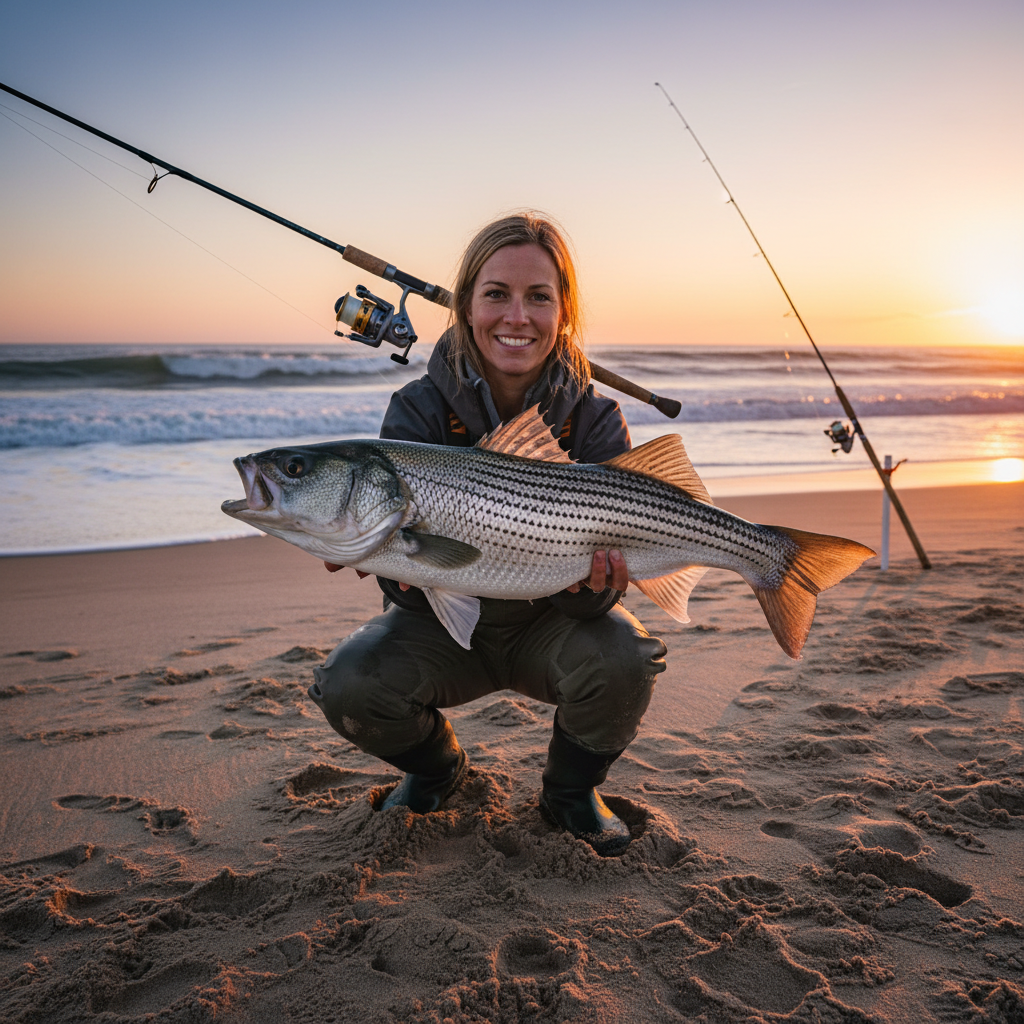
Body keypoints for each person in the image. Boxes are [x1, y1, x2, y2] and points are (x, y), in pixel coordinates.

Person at [307, 213, 667, 856]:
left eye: (539, 297)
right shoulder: (416, 408)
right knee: (350, 681)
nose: (516, 316)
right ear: (467, 303)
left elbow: (593, 604)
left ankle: (570, 793)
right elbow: (409, 594)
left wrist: (597, 585)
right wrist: (383, 556)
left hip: (550, 625)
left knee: (626, 657)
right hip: (445, 630)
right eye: (496, 293)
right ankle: (435, 769)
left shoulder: (596, 417)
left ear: (564, 312)